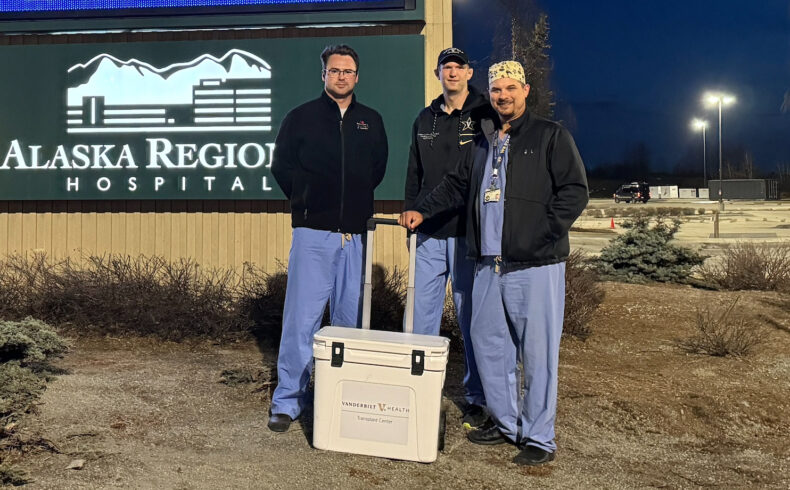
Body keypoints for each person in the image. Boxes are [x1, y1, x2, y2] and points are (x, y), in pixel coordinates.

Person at [399, 60, 588, 466]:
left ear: (525, 90)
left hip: (534, 266)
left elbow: (574, 192)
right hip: (488, 264)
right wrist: (420, 210)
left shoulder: (550, 136)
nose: (503, 96)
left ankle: (539, 436)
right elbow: (454, 184)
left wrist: (540, 236)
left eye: (509, 89)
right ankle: (507, 424)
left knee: (537, 354)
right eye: (497, 90)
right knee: (489, 346)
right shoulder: (484, 141)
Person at [268, 44, 388, 433]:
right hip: (313, 235)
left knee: (349, 322)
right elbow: (282, 168)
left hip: (355, 236)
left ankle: (342, 396)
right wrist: (309, 203)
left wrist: (351, 206)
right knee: (301, 321)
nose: (341, 76)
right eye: (334, 70)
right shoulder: (299, 118)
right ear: (324, 75)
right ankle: (288, 400)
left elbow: (376, 170)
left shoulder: (371, 120)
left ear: (357, 76)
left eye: (348, 71)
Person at [403, 47, 496, 429]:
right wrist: (411, 212)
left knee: (470, 317)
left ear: (469, 72)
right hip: (427, 232)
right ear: (437, 72)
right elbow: (414, 171)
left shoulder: (483, 115)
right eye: (446, 67)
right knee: (421, 317)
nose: (452, 73)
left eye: (459, 67)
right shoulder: (425, 117)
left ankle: (475, 395)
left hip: (466, 233)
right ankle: (419, 386)